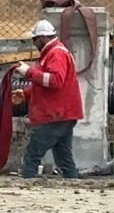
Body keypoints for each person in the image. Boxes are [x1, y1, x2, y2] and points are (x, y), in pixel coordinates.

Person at [11, 19, 84, 179]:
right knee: (63, 156)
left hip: (54, 115)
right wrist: (27, 94)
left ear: (42, 38)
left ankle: (27, 184)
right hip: (62, 114)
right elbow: (47, 84)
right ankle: (72, 183)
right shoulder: (55, 52)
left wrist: (29, 72)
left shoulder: (56, 54)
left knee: (32, 154)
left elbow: (55, 81)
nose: (33, 42)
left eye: (34, 39)